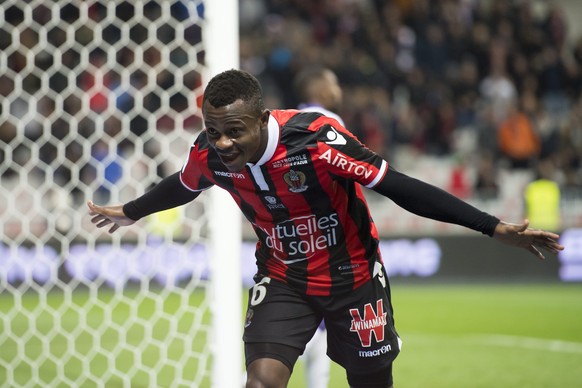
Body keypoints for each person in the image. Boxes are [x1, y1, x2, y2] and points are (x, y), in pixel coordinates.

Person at [88, 69, 564, 388]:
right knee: (262, 381)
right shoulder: (208, 154)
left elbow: (398, 186)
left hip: (354, 280)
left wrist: (491, 226)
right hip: (284, 279)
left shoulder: (315, 140)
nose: (224, 142)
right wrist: (132, 210)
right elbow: (185, 186)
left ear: (261, 118)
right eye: (214, 131)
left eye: (235, 130)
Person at [292, 65, 345, 388]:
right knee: (311, 332)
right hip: (325, 235)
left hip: (290, 236)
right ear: (321, 90)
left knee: (311, 324)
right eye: (334, 81)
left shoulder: (284, 120)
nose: (338, 88)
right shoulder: (329, 123)